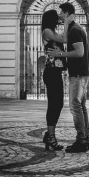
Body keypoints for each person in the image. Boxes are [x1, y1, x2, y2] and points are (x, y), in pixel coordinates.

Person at [47, 2, 89, 153]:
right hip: (82, 73)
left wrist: (60, 54)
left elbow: (79, 52)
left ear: (66, 14)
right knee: (81, 106)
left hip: (78, 74)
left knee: (75, 106)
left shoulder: (74, 30)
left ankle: (81, 140)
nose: (59, 15)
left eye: (61, 13)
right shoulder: (75, 28)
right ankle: (84, 139)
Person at [40, 9, 66, 151]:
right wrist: (67, 22)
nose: (58, 19)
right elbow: (64, 39)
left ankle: (49, 134)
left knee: (59, 103)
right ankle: (50, 136)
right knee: (53, 104)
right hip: (51, 72)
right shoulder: (47, 31)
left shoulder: (52, 31)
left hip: (56, 72)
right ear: (51, 19)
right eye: (56, 17)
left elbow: (62, 38)